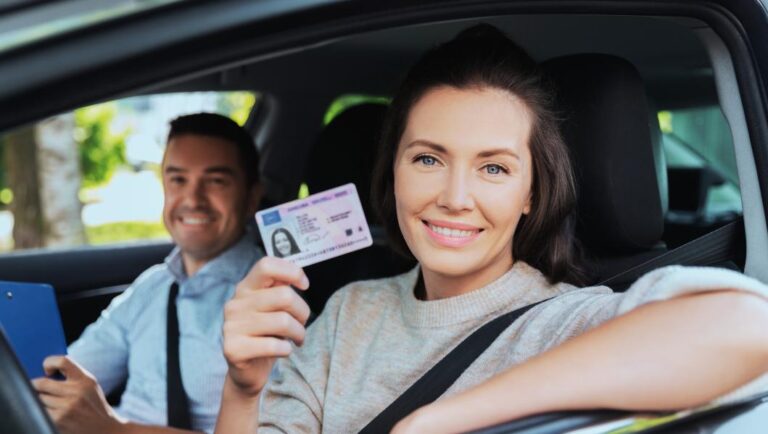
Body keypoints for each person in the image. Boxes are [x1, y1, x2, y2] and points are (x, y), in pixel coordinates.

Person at [215, 25, 768, 434]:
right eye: (428, 159)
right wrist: (243, 389)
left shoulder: (564, 322)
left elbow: (751, 325)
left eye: (494, 168)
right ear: (394, 171)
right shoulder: (347, 314)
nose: (455, 199)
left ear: (531, 194)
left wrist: (437, 422)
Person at [32, 113, 264, 434]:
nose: (193, 200)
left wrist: (112, 428)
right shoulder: (152, 286)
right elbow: (64, 374)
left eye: (216, 181)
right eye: (178, 179)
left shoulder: (270, 300)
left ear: (251, 197)